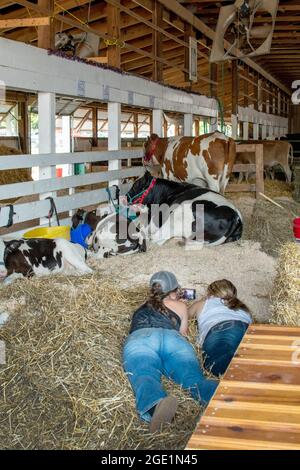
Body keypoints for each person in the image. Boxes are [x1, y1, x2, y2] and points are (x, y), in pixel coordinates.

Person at [123, 271, 218, 433]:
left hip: (141, 338)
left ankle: (155, 405)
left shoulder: (140, 308)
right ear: (174, 291)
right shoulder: (180, 306)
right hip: (173, 339)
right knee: (192, 379)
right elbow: (184, 332)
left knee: (144, 375)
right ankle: (220, 396)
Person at [189, 279, 252, 377]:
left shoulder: (204, 303)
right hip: (246, 329)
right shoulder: (243, 308)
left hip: (222, 328)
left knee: (217, 365)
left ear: (210, 293)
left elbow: (184, 316)